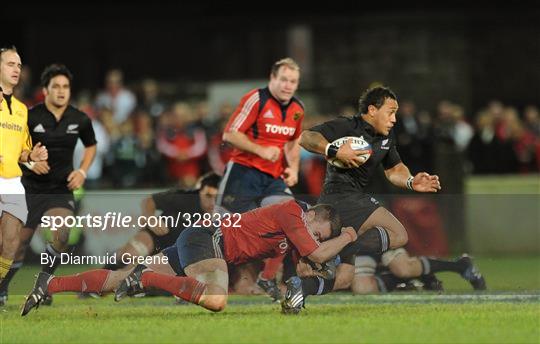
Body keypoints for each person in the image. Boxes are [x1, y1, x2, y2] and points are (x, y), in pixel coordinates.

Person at [282, 85, 456, 313]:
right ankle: (331, 251)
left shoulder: (385, 137)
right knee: (399, 234)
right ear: (372, 110)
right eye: (390, 111)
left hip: (350, 199)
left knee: (345, 279)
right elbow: (306, 137)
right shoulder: (347, 125)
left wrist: (412, 181)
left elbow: (395, 169)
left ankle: (301, 287)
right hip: (342, 196)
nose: (394, 118)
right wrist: (333, 150)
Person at [21, 200, 357, 316]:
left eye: (321, 237)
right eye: (319, 231)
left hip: (201, 240)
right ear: (311, 215)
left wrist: (301, 283)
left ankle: (48, 284)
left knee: (115, 280)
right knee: (216, 299)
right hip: (209, 239)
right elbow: (316, 252)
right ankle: (147, 280)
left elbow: (307, 261)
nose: (315, 239)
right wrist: (347, 238)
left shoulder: (290, 233)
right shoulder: (292, 212)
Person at [0, 64, 96, 306]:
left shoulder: (80, 118)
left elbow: (91, 145)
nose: (61, 91)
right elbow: (17, 149)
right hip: (30, 188)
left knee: (61, 233)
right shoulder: (30, 116)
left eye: (65, 87)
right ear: (45, 90)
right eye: (56, 86)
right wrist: (31, 163)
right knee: (16, 244)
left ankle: (43, 286)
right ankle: (2, 288)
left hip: (60, 190)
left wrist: (82, 170)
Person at [216, 57, 305, 300]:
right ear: (272, 79)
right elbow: (230, 134)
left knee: (292, 219)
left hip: (273, 178)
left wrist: (293, 169)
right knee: (220, 233)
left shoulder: (297, 110)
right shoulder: (256, 98)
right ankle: (188, 280)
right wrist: (261, 150)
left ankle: (268, 278)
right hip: (243, 174)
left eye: (293, 81)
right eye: (284, 80)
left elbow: (293, 142)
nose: (288, 85)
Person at [0, 46, 48, 298]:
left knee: (11, 243)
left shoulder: (20, 109)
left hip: (12, 181)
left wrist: (32, 155)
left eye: (18, 65)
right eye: (10, 64)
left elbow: (22, 149)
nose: (16, 69)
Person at [103, 172, 221, 271]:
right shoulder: (184, 197)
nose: (212, 202)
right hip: (158, 237)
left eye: (216, 198)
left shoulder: (224, 215)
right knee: (130, 254)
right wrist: (150, 217)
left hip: (178, 255)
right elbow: (149, 201)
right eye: (208, 196)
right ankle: (108, 267)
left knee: (135, 275)